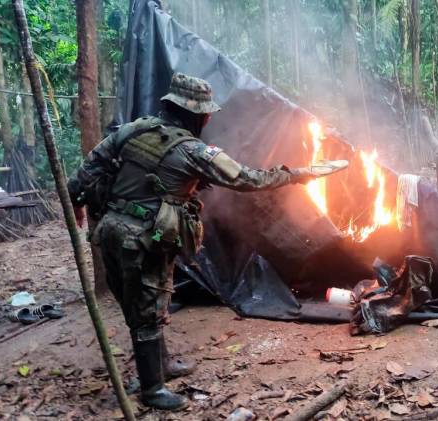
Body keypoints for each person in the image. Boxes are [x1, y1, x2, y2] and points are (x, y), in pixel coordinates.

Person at [68, 73, 320, 410]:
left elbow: (92, 165)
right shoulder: (193, 151)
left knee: (142, 305)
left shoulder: (135, 130)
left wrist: (75, 200)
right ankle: (153, 390)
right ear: (197, 115)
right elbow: (247, 178)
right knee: (147, 308)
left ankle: (160, 367)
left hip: (111, 231)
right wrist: (298, 174)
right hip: (143, 239)